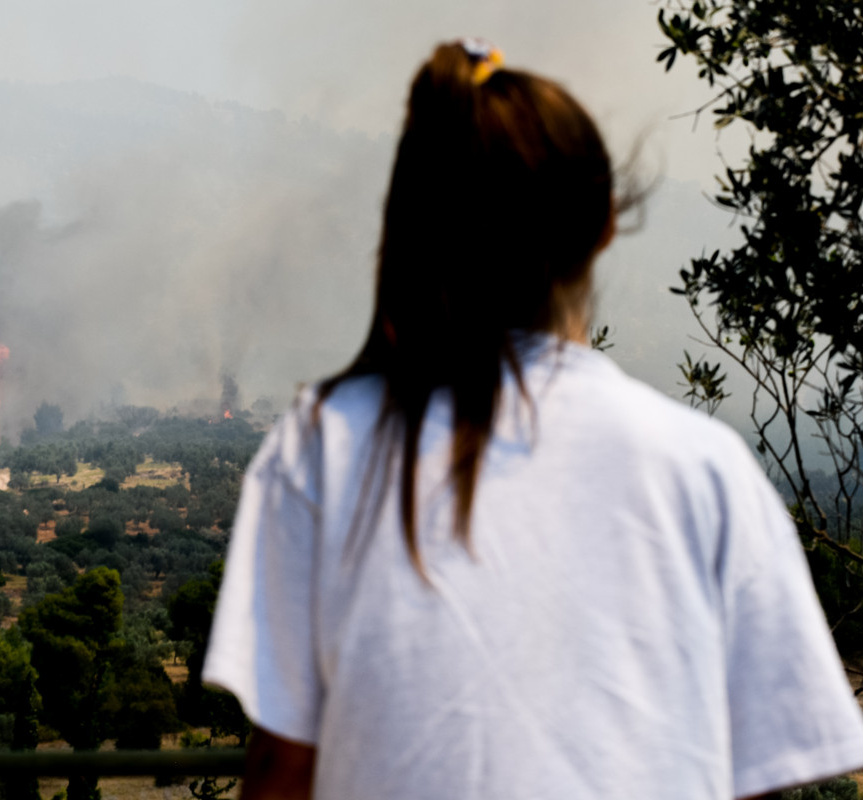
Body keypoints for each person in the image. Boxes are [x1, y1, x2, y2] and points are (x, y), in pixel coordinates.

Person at [201, 39, 863, 800]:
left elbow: (284, 771)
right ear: (605, 223)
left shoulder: (323, 447)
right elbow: (758, 781)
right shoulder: (704, 469)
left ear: (421, 223)